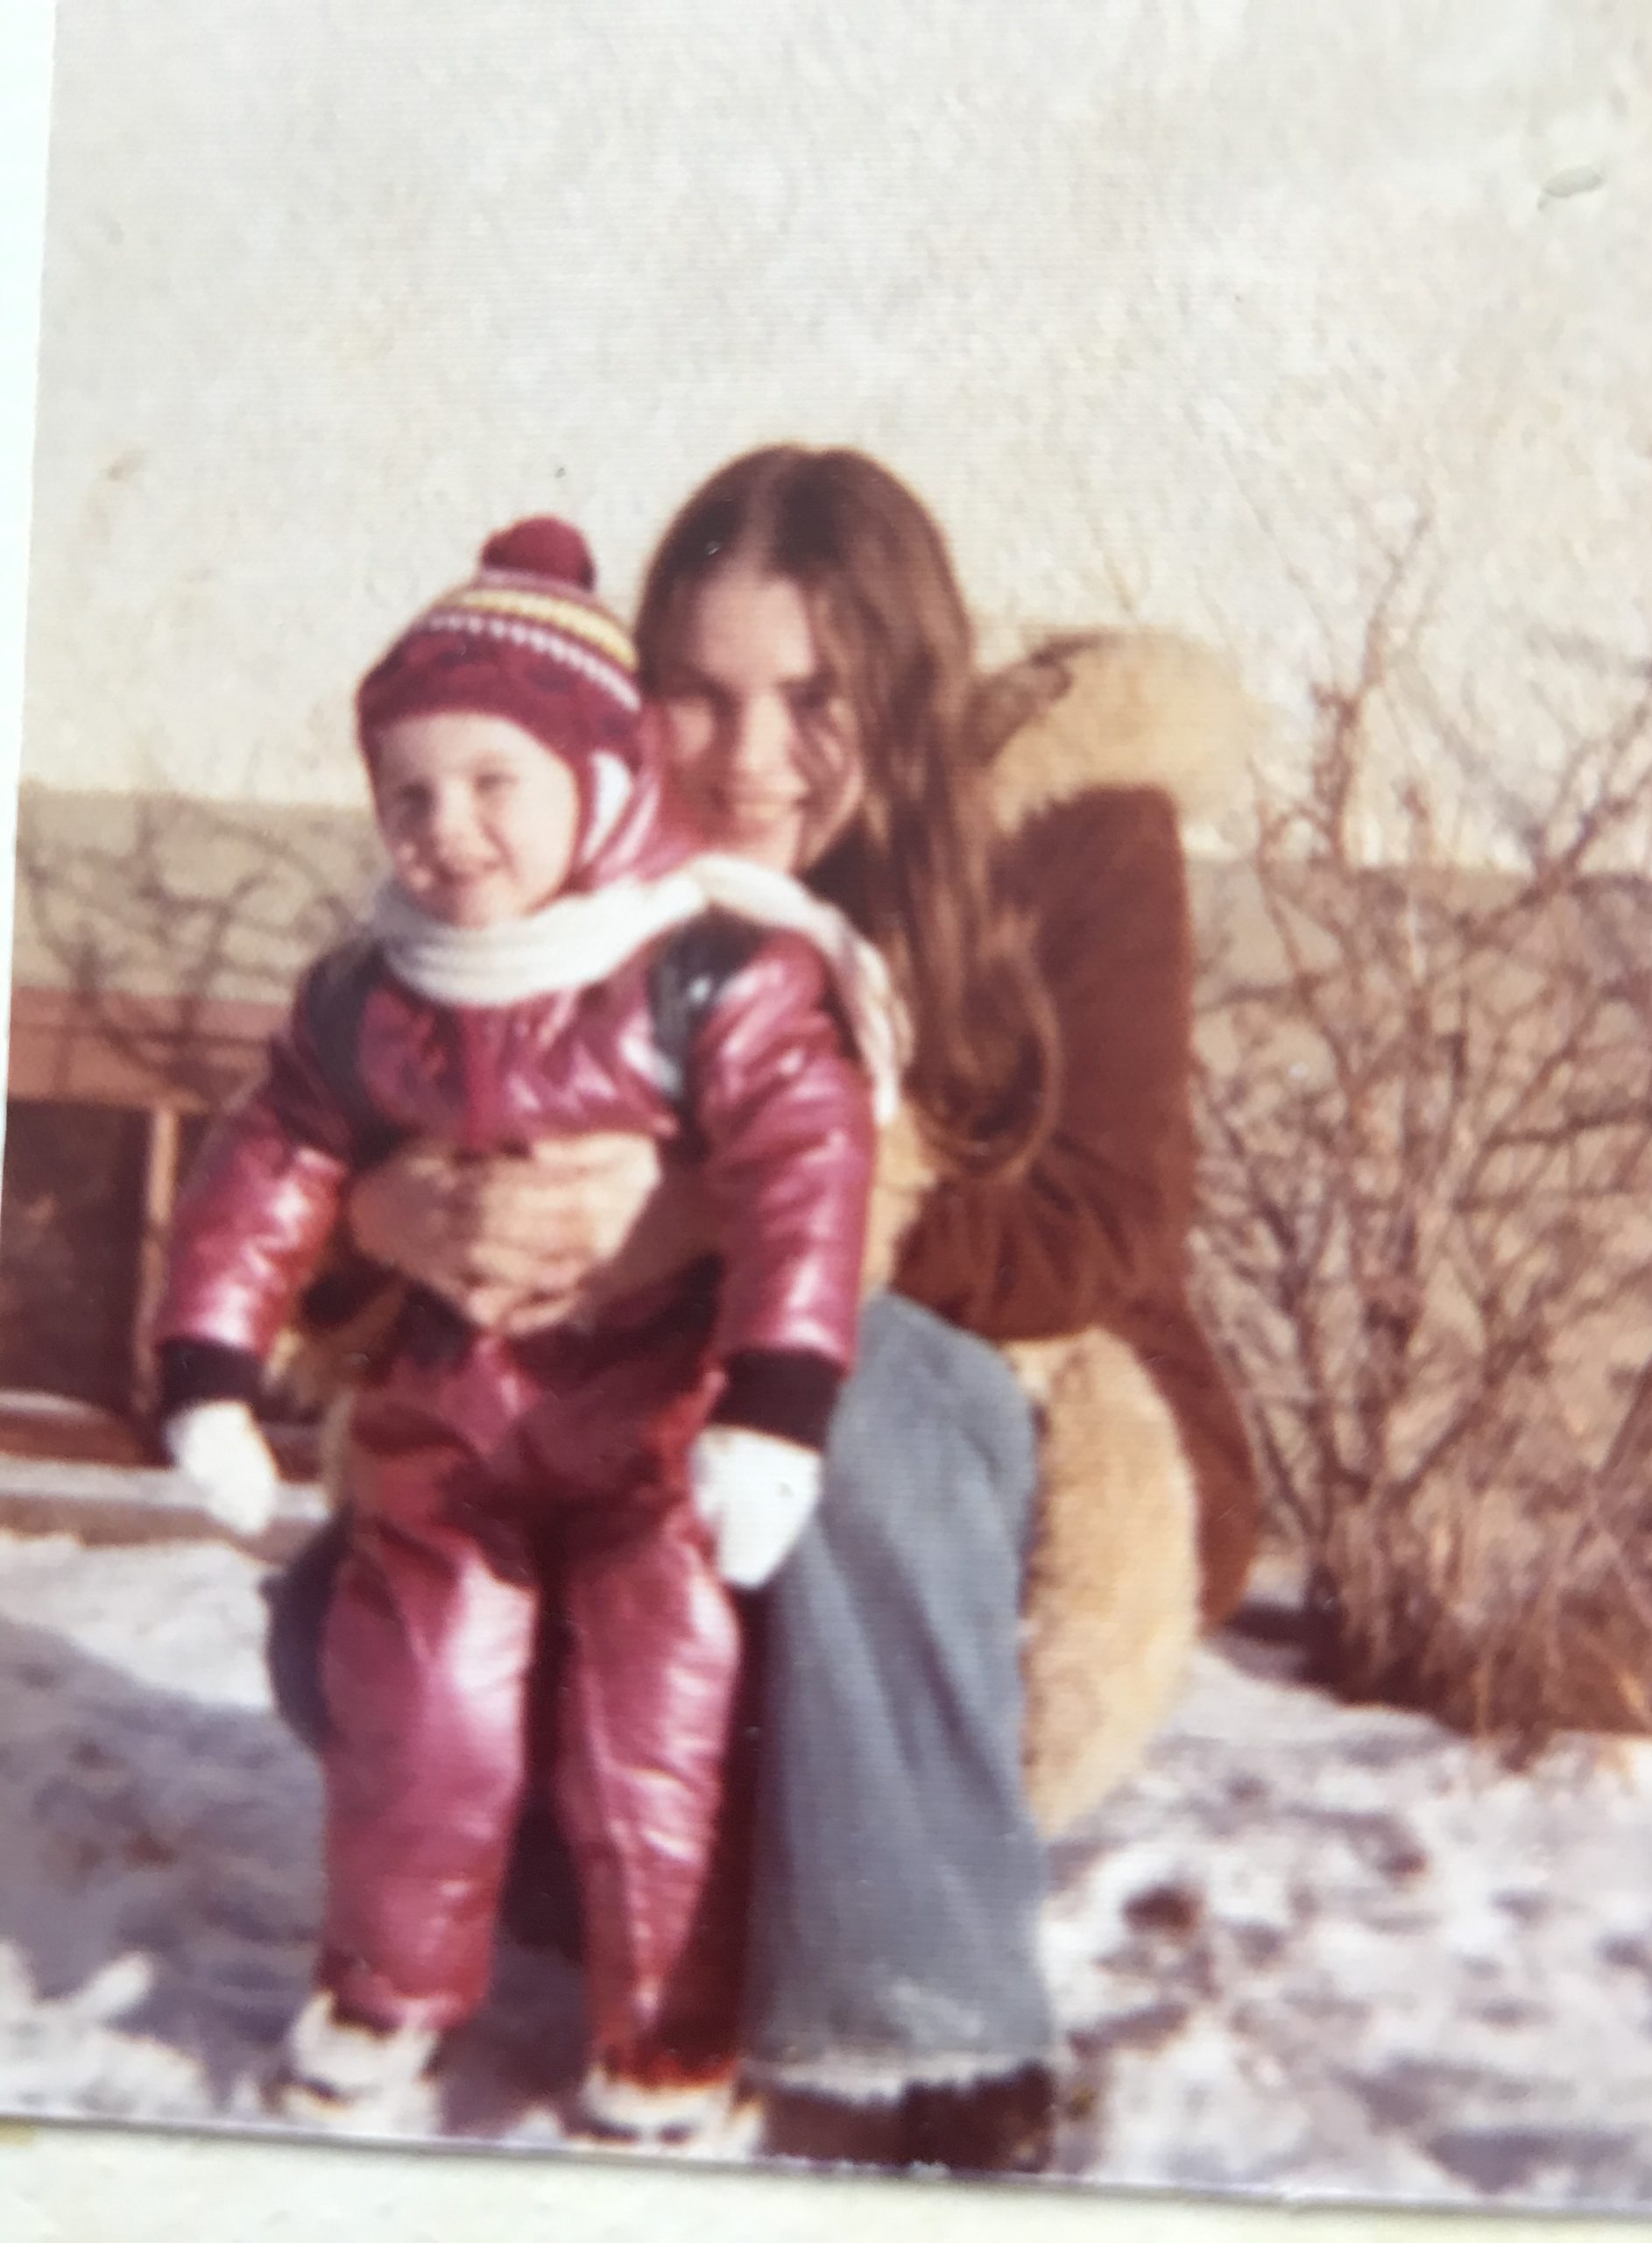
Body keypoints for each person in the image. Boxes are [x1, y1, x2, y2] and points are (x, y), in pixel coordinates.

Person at [272, 447, 1260, 2171]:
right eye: (699, 694)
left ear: (911, 690)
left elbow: (1095, 1227)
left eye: (817, 697)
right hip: (657, 1486)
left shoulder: (1065, 840)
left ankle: (936, 2023)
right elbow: (332, 1144)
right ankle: (678, 1917)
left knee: (854, 1387)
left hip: (988, 1489)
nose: (749, 756)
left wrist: (729, 1208)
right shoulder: (568, 862)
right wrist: (385, 1210)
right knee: (333, 1622)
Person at [153, 515, 898, 2139]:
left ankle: (666, 2038)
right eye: (410, 794)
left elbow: (806, 1164)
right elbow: (270, 1160)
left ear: (602, 782)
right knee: (417, 1716)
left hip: (653, 1432)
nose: (451, 831)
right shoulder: (371, 995)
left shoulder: (710, 971)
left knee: (660, 1730)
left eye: (497, 781)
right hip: (451, 1432)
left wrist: (776, 1397)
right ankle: (385, 1993)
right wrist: (209, 1364)